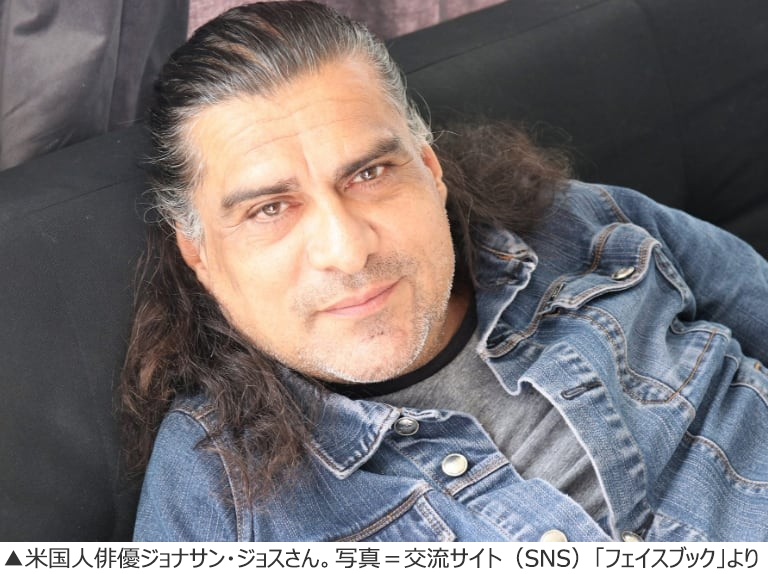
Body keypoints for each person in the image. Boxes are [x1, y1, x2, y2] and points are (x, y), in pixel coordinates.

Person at [122, 1, 768, 542]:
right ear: (198, 251)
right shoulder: (213, 496)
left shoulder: (586, 226)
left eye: (369, 173)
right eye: (270, 209)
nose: (347, 250)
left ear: (429, 168)